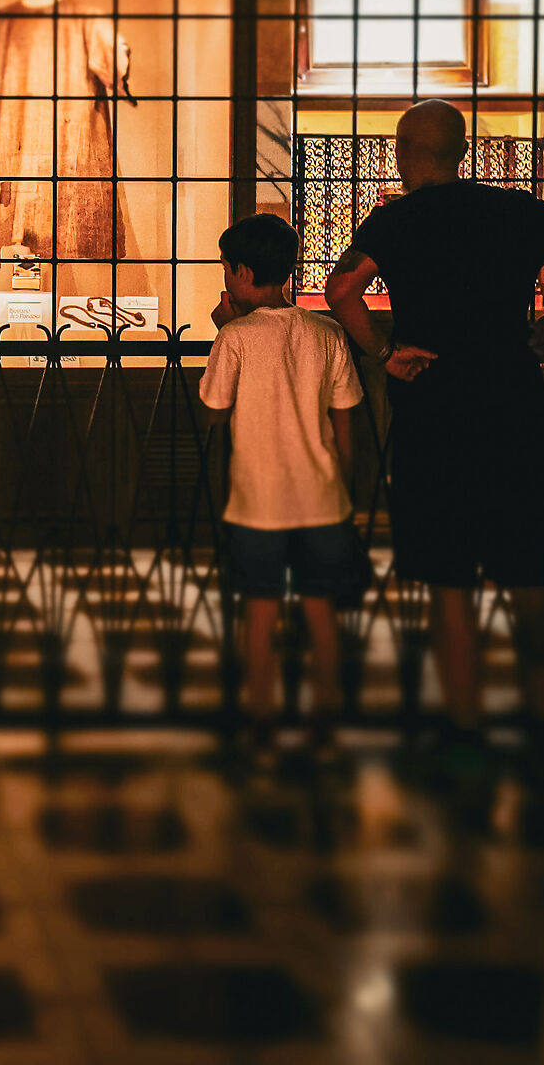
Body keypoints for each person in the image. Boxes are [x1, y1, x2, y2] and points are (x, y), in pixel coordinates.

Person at [324, 100, 544, 790]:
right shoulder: (513, 211)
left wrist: (381, 349)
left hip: (434, 409)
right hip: (513, 407)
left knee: (450, 581)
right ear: (460, 152)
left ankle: (465, 731)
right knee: (527, 573)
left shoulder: (395, 219)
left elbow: (342, 287)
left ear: (405, 152)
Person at [202, 214, 369, 765]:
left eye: (227, 270)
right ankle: (325, 719)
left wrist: (220, 325)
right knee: (322, 610)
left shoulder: (236, 337)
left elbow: (214, 412)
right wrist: (343, 484)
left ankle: (264, 726)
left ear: (244, 273)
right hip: (322, 499)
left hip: (258, 502)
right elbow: (346, 417)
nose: (226, 280)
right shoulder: (326, 333)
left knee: (261, 613)